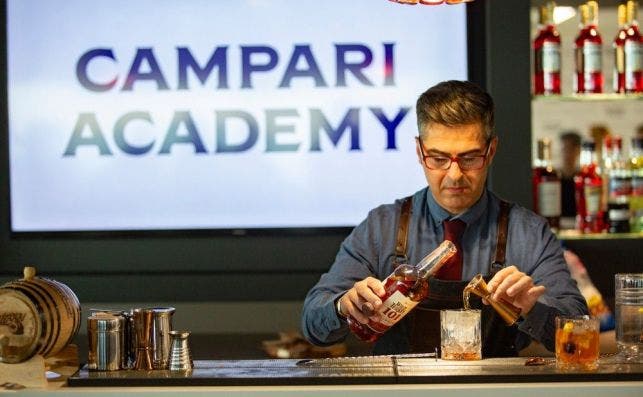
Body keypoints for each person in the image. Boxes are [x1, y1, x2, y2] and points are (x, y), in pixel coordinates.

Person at [301, 80, 588, 357]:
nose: (454, 175)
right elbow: (313, 324)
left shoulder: (528, 232)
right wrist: (343, 306)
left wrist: (531, 308)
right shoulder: (382, 227)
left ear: (491, 151)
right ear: (419, 151)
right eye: (438, 159)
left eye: (470, 158)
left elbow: (578, 328)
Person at [559, 131, 581, 220]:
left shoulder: (581, 179)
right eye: (564, 149)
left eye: (570, 149)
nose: (566, 154)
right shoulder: (554, 179)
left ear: (578, 151)